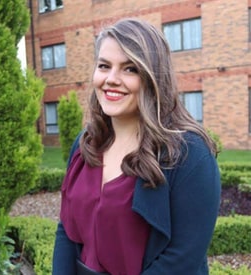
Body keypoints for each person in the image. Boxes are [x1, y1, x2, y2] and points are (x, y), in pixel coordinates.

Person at [52, 18, 221, 275]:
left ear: (153, 77)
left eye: (130, 69)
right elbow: (66, 227)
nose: (111, 79)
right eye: (104, 66)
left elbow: (182, 258)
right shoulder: (86, 143)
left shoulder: (190, 155)